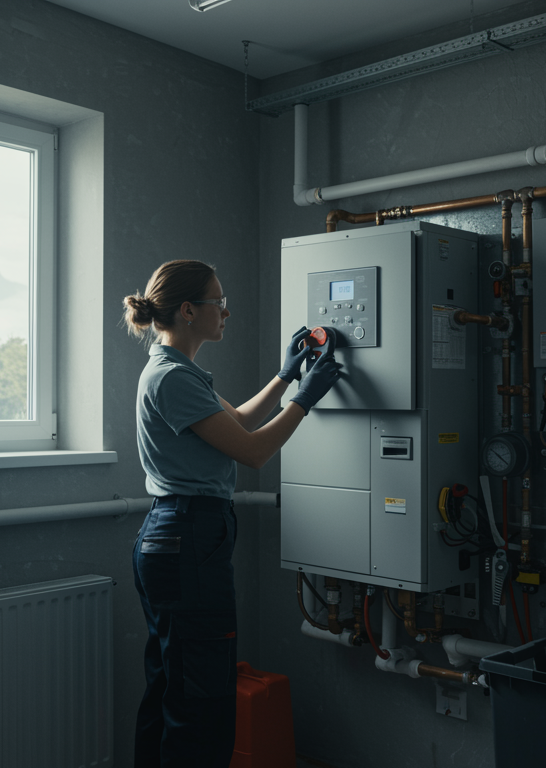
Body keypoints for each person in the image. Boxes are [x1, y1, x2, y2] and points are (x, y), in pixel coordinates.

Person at [122, 259, 342, 767]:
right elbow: (254, 452)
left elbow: (239, 423)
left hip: (177, 535)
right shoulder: (170, 378)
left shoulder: (177, 370)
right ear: (187, 309)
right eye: (218, 302)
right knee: (201, 698)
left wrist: (286, 376)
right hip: (187, 536)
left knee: (173, 684)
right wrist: (306, 400)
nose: (227, 311)